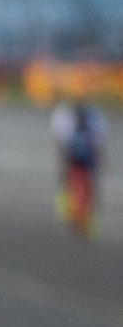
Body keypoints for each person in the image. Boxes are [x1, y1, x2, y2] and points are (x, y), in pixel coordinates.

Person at [54, 98, 105, 239]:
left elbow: (61, 143)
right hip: (84, 162)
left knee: (78, 189)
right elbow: (98, 144)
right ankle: (81, 221)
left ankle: (78, 220)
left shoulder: (66, 116)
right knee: (84, 191)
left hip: (76, 161)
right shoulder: (94, 117)